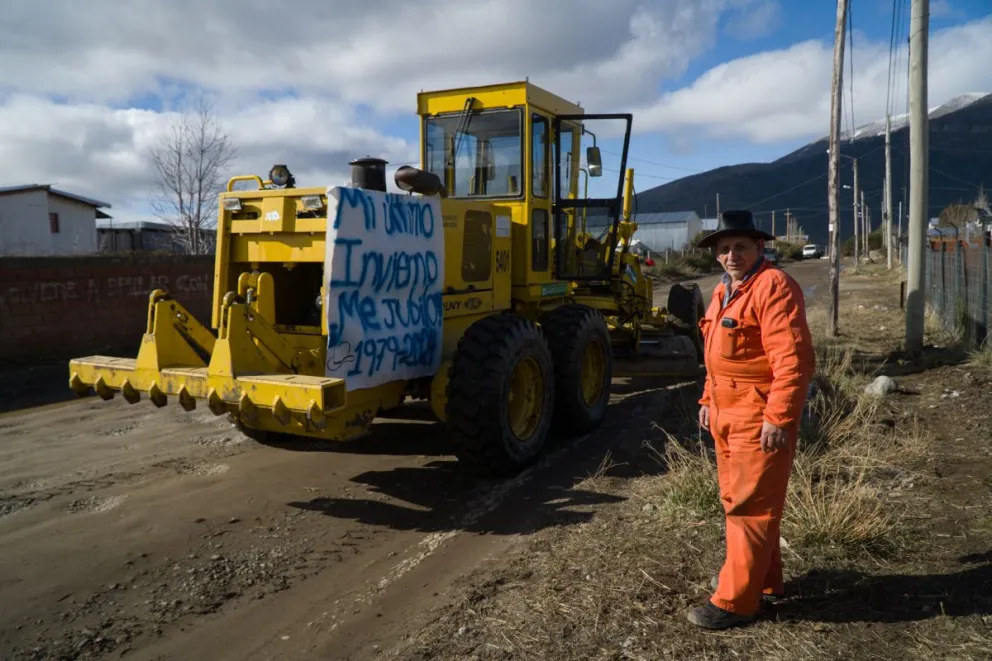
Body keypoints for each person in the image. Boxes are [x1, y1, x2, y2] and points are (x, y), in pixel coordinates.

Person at [687, 209, 815, 630]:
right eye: (724, 249)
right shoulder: (725, 290)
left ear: (759, 247)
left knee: (749, 507)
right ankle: (762, 581)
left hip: (758, 415)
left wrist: (779, 417)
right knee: (739, 502)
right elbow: (715, 356)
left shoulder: (773, 286)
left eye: (739, 247)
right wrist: (708, 398)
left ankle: (735, 603)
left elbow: (793, 359)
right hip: (726, 411)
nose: (730, 255)